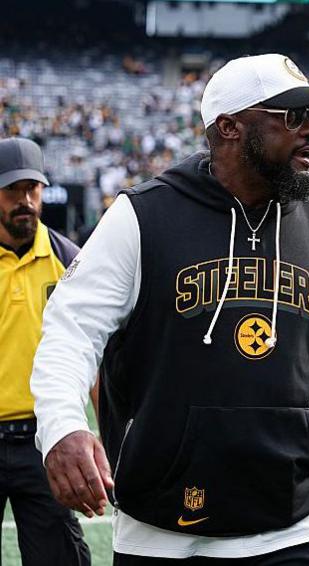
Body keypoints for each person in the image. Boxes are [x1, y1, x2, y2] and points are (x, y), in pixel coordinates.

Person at [30, 53, 309, 564]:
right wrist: (62, 426)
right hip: (167, 529)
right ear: (230, 127)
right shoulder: (143, 215)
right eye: (292, 116)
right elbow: (71, 328)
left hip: (301, 526)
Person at [0, 137, 90, 565]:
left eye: (32, 189)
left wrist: (107, 435)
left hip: (45, 438)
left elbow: (98, 354)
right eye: (13, 191)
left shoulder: (69, 261)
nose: (26, 201)